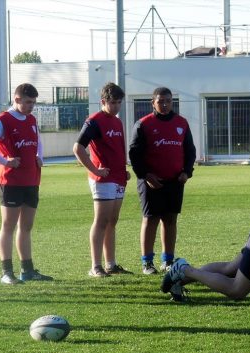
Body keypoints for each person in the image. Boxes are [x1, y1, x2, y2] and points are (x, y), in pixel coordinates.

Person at [0, 83, 52, 284]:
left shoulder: (31, 119)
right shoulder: (2, 120)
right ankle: (6, 272)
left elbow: (38, 141)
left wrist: (39, 156)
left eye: (33, 102)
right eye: (27, 102)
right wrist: (5, 161)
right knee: (8, 226)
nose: (31, 106)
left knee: (27, 226)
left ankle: (28, 270)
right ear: (16, 100)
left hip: (31, 179)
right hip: (10, 181)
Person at [128, 87, 195, 275]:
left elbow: (190, 150)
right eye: (160, 101)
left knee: (170, 220)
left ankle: (168, 261)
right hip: (150, 181)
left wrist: (187, 172)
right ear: (153, 102)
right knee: (150, 220)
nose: (164, 105)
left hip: (174, 181)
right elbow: (134, 153)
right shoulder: (143, 124)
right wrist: (146, 175)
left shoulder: (182, 123)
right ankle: (147, 263)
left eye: (168, 101)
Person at [74, 82, 132, 277]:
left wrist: (124, 170)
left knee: (112, 221)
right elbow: (78, 148)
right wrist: (95, 171)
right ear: (103, 101)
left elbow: (117, 150)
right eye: (112, 102)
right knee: (101, 221)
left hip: (117, 177)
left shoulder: (117, 122)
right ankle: (95, 266)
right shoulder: (94, 121)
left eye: (118, 102)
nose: (116, 106)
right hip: (103, 179)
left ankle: (111, 264)